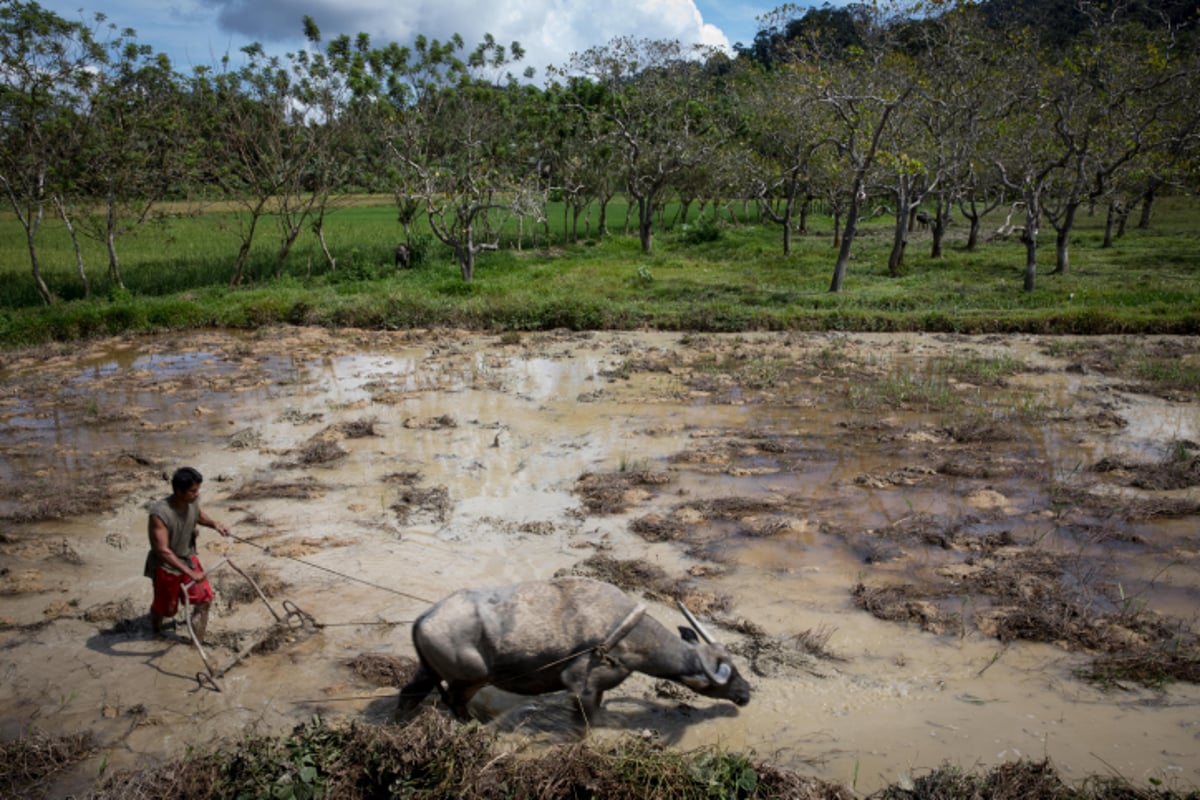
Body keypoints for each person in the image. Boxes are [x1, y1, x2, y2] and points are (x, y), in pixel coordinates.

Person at [144, 467, 230, 643]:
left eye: (198, 489)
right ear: (178, 491)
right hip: (166, 566)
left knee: (204, 600)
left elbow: (198, 515)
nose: (197, 494)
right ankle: (155, 630)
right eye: (193, 491)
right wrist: (190, 573)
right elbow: (163, 551)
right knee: (167, 609)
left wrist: (214, 524)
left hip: (188, 558)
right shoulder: (159, 514)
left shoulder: (192, 501)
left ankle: (196, 642)